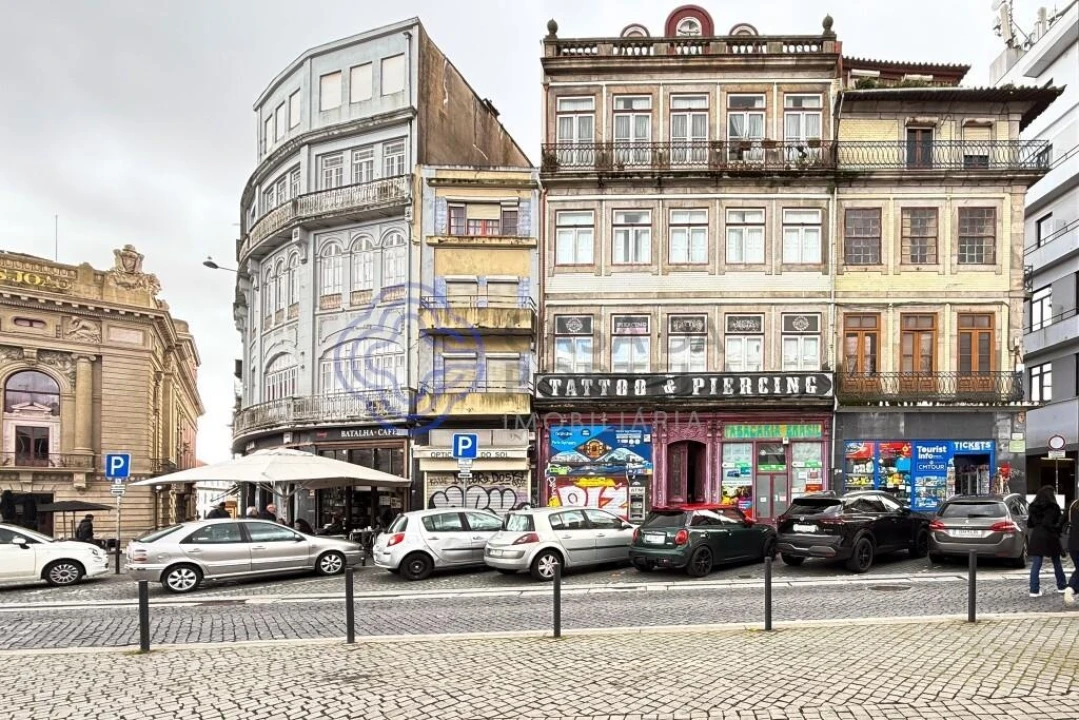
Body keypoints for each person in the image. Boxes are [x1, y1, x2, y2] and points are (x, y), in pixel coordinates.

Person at [1027, 485, 1067, 597]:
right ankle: (1062, 586)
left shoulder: (1033, 507)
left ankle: (1034, 590)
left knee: (1036, 563)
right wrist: (1057, 529)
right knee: (1056, 562)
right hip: (1050, 536)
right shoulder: (1053, 507)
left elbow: (1030, 524)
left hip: (1037, 536)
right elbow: (1051, 523)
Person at [1064, 498, 1079, 606]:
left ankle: (1071, 588)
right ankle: (1071, 588)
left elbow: (1062, 521)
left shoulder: (1073, 504)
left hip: (1073, 544)